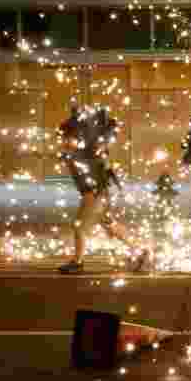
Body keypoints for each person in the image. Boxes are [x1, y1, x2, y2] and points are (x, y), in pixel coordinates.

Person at [57, 106, 149, 274]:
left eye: (68, 138)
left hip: (95, 195)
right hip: (100, 195)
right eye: (64, 138)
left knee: (79, 226)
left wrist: (89, 199)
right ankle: (140, 250)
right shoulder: (79, 155)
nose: (64, 141)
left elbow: (91, 185)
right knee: (110, 225)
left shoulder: (87, 157)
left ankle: (77, 262)